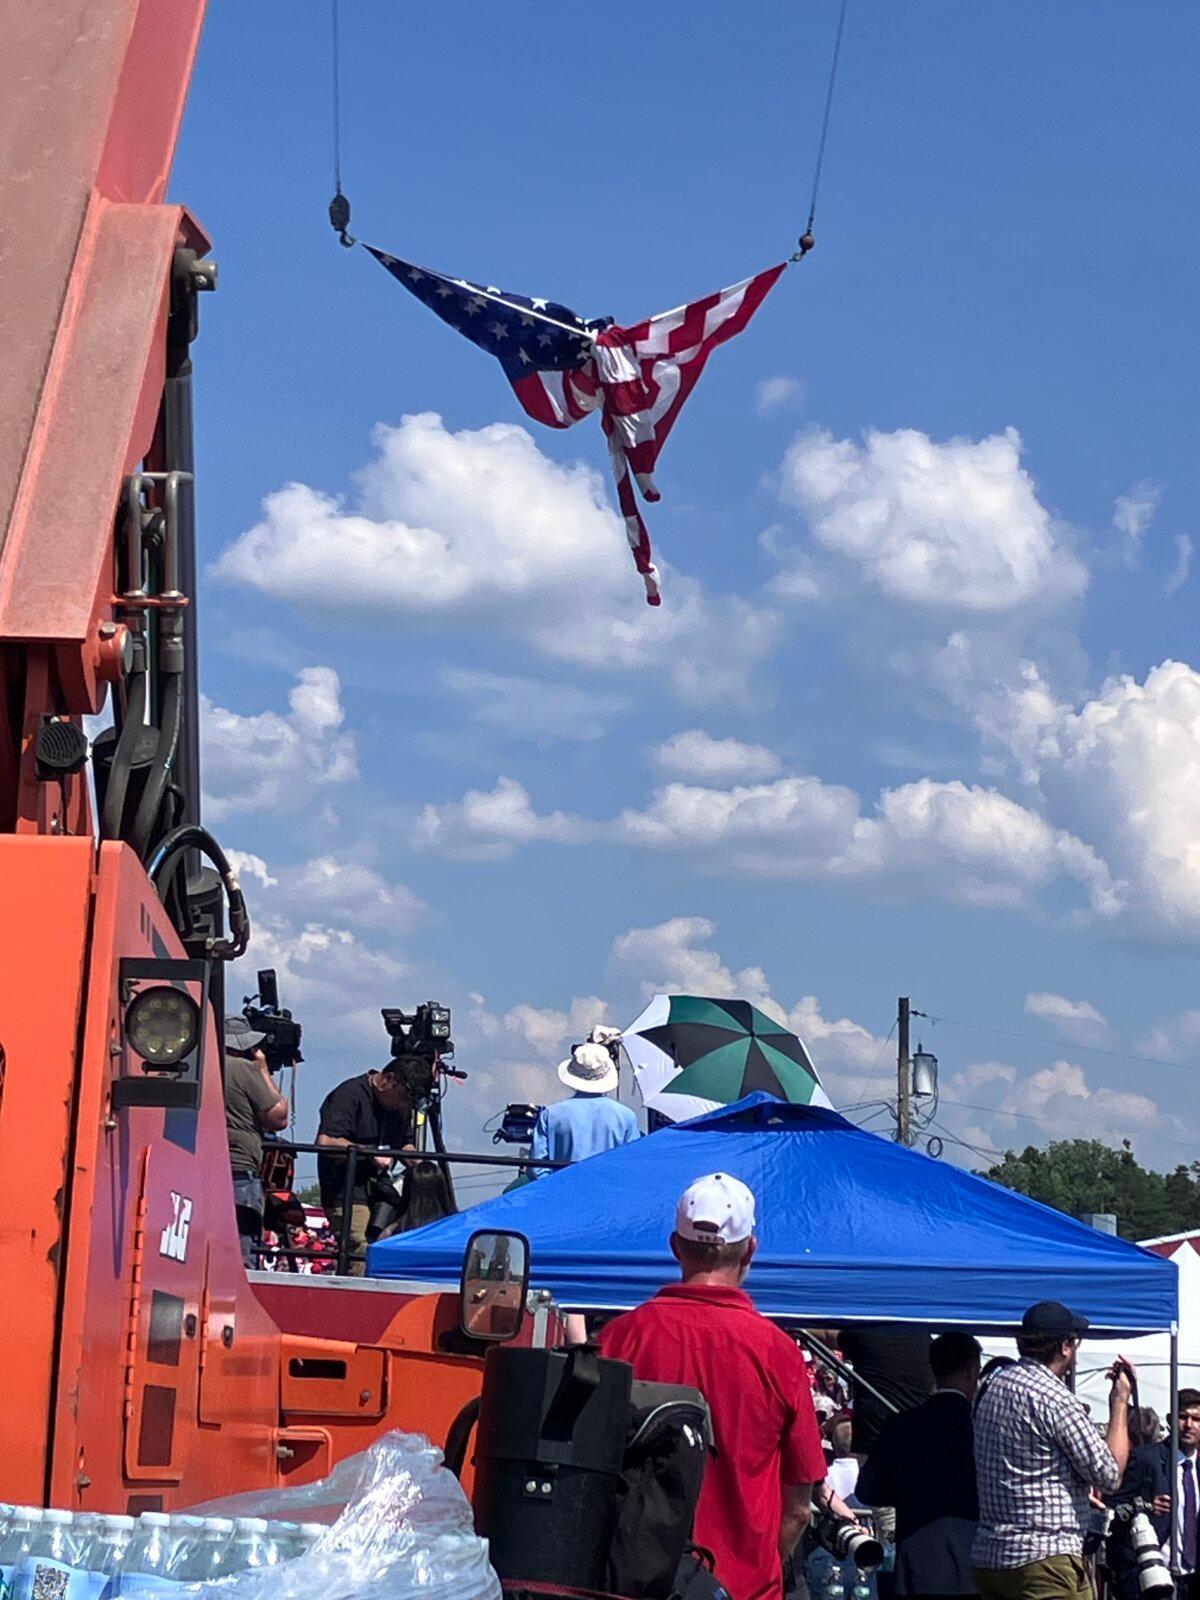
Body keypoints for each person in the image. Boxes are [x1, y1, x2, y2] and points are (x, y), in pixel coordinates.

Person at [598, 1172, 827, 1600]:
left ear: (675, 1246)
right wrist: (763, 1564)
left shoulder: (619, 1339)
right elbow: (798, 1508)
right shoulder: (778, 1353)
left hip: (634, 1587)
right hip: (747, 1590)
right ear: (750, 1251)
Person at [972, 1300, 1133, 1600]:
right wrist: (1120, 1401)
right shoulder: (1056, 1399)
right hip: (1045, 1558)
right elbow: (1110, 1475)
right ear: (1065, 1347)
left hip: (991, 1555)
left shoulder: (991, 1387)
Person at [857, 1331, 982, 1598]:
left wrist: (908, 1490)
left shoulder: (901, 1425)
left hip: (916, 1563)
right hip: (975, 1563)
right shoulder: (983, 1428)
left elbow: (868, 1490)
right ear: (972, 1370)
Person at [316, 1058, 419, 1274]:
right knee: (359, 1248)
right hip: (345, 1189)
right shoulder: (349, 1095)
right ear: (388, 1080)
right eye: (402, 1096)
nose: (403, 1105)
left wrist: (418, 1164)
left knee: (391, 1244)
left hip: (381, 1191)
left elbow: (405, 1142)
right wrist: (368, 1153)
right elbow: (325, 1142)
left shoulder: (400, 1108)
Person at [1108, 1387, 1200, 1600]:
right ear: (1169, 1419)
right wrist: (1145, 1506)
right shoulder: (1146, 1459)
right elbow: (1114, 1504)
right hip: (1153, 1574)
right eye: (1182, 1417)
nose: (1188, 1425)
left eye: (1196, 1419)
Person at [223, 1014, 289, 1269]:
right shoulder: (244, 1069)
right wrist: (262, 1070)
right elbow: (278, 1116)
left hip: (205, 1162)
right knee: (243, 1243)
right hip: (240, 1163)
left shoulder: (205, 1064)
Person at [528, 1039, 640, 1177]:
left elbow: (536, 1168)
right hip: (609, 1193)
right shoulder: (626, 1116)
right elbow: (632, 1165)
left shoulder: (550, 1115)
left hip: (563, 1192)